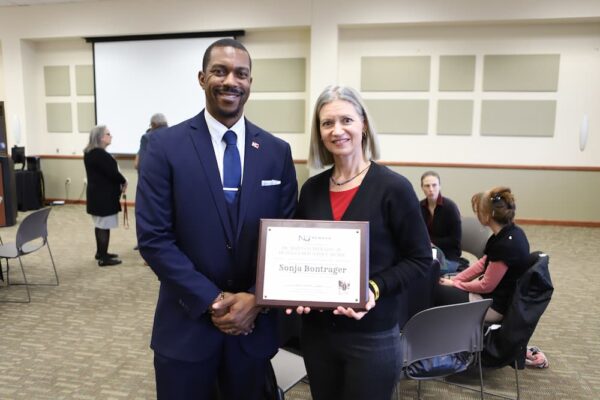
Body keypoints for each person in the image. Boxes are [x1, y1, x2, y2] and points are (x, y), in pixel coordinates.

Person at [135, 38, 298, 400]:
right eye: (219, 71)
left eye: (240, 74)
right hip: (186, 328)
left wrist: (255, 299)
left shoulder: (276, 152)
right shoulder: (164, 147)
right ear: (201, 78)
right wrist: (213, 299)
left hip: (253, 331)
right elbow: (154, 239)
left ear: (250, 82)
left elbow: (286, 239)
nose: (230, 81)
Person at [290, 85, 432, 400]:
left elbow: (421, 259)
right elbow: (302, 252)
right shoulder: (311, 189)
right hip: (317, 334)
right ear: (319, 132)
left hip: (372, 336)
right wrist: (295, 288)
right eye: (327, 123)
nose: (337, 130)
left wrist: (373, 288)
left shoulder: (393, 188)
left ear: (363, 124)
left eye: (346, 120)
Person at [437, 187, 530, 322]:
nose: (477, 215)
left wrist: (456, 284)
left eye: (478, 211)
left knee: (437, 292)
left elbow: (486, 286)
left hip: (493, 307)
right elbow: (483, 263)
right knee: (442, 287)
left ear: (487, 215)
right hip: (491, 296)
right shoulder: (509, 232)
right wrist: (456, 280)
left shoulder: (505, 245)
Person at [83, 125, 127, 267]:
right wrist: (124, 181)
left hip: (97, 195)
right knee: (103, 225)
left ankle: (101, 252)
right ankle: (103, 258)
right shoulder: (100, 154)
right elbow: (113, 173)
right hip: (103, 197)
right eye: (108, 134)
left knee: (100, 224)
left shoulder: (90, 153)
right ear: (101, 137)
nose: (111, 136)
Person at [419, 170, 463, 273]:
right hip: (426, 254)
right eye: (427, 186)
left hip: (449, 257)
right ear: (422, 188)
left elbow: (455, 240)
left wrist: (430, 242)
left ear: (440, 186)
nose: (431, 189)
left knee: (426, 271)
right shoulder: (419, 206)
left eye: (434, 185)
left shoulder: (450, 207)